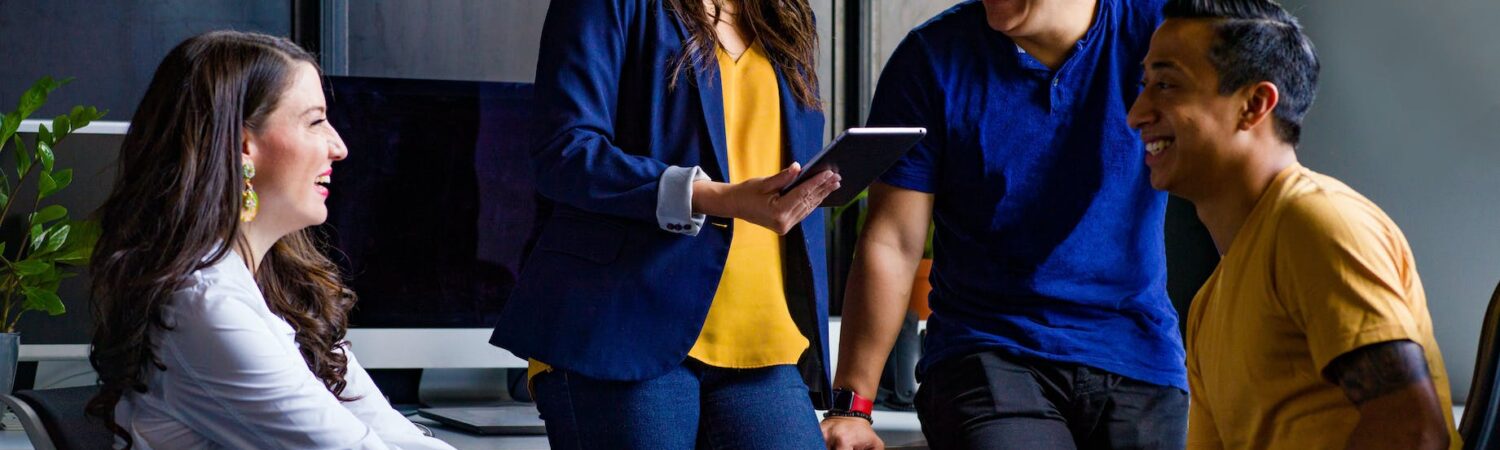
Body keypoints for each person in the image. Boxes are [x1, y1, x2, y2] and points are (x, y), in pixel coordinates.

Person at [822, 0, 1189, 449]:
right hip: (985, 351)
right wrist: (851, 410)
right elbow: (893, 242)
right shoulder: (930, 59)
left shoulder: (1162, 31)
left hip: (1136, 353)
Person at [488, 0, 840, 448]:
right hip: (624, 323)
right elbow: (566, 151)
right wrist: (716, 198)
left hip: (762, 334)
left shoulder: (786, 12)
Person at [85, 31, 454, 450]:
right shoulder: (204, 307)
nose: (339, 146)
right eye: (316, 121)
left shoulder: (281, 293)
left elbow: (396, 436)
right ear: (243, 145)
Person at [1126, 1, 1460, 448]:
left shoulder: (1316, 224)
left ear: (1254, 105)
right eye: (1144, 85)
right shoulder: (1209, 303)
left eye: (1166, 85)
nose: (1137, 114)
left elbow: (1412, 432)